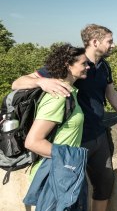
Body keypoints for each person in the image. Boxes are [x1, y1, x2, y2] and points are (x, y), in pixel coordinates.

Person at [13, 24, 117, 211]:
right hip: (75, 138)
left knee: (104, 184)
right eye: (110, 41)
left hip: (98, 133)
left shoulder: (103, 66)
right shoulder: (73, 62)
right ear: (95, 42)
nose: (113, 45)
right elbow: (18, 83)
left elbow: (110, 92)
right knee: (70, 193)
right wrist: (41, 81)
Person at [24, 43, 89, 209]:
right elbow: (33, 142)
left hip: (62, 172)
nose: (88, 67)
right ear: (68, 65)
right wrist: (73, 158)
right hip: (53, 174)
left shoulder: (69, 92)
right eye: (83, 63)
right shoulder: (58, 97)